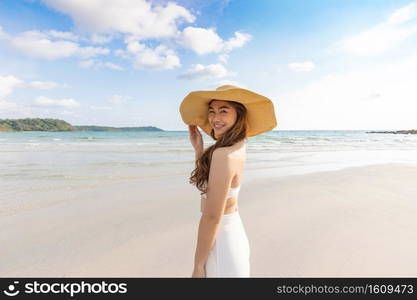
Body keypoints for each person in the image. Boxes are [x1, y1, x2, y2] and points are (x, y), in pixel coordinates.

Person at [179, 84, 277, 277]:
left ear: (239, 115)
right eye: (212, 111)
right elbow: (217, 186)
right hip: (231, 234)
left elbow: (212, 216)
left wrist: (198, 266)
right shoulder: (237, 146)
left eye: (224, 111)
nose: (215, 118)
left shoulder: (223, 155)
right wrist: (199, 150)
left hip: (221, 241)